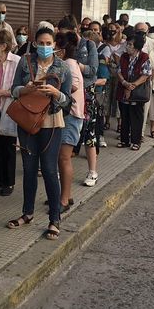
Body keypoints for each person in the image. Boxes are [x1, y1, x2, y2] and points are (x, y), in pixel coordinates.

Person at [6, 27, 72, 241]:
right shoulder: (25, 62)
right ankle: (28, 213)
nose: (44, 47)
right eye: (40, 43)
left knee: (51, 171)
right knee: (28, 169)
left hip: (52, 123)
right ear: (34, 43)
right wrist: (25, 89)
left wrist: (56, 93)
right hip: (27, 121)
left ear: (55, 45)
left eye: (48, 44)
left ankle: (54, 219)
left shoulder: (63, 67)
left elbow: (68, 101)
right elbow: (13, 89)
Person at [0, 30, 21, 196]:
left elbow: (23, 87)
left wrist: (4, 92)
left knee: (7, 145)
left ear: (3, 46)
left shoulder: (16, 62)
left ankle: (8, 181)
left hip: (7, 107)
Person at [55, 31, 84, 211]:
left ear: (63, 49)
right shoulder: (70, 63)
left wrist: (55, 89)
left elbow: (73, 86)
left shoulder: (69, 64)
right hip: (71, 115)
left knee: (64, 158)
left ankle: (64, 200)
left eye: (56, 48)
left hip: (71, 115)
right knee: (62, 158)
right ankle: (66, 195)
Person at [116, 35, 152, 150]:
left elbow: (145, 75)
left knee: (136, 116)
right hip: (123, 89)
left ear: (137, 47)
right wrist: (125, 83)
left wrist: (133, 85)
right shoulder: (124, 56)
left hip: (137, 91)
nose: (128, 47)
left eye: (130, 45)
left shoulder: (144, 57)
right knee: (124, 115)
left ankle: (136, 141)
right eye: (128, 44)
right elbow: (119, 71)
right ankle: (124, 140)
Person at [57, 15, 98, 90]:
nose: (64, 37)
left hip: (85, 88)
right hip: (66, 88)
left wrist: (75, 64)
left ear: (75, 30)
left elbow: (93, 70)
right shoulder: (62, 45)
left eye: (66, 34)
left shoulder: (89, 45)